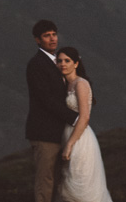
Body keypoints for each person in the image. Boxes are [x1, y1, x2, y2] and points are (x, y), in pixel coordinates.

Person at [26, 19, 80, 202]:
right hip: (44, 133)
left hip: (61, 132)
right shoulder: (36, 64)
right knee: (46, 179)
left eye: (54, 34)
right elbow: (46, 99)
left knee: (61, 180)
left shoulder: (61, 62)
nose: (52, 39)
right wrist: (74, 117)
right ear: (37, 40)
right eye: (46, 36)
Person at [55, 46, 113, 202]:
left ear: (76, 63)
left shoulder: (81, 84)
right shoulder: (65, 84)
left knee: (81, 184)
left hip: (80, 139)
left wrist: (70, 144)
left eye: (67, 61)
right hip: (67, 134)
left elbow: (85, 117)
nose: (63, 64)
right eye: (59, 61)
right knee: (68, 184)